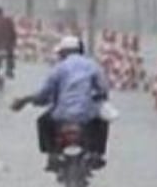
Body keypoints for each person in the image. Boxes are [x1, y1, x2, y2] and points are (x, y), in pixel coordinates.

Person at [11, 35, 110, 171]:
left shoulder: (58, 69)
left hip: (62, 115)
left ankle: (52, 154)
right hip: (86, 115)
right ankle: (97, 153)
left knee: (42, 121)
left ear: (64, 52)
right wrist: (99, 97)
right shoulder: (92, 66)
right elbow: (103, 88)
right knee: (103, 123)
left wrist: (25, 100)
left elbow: (43, 94)